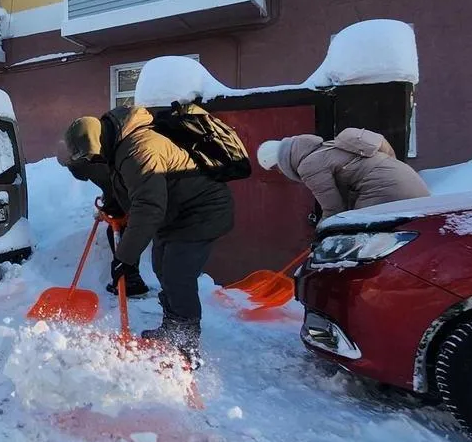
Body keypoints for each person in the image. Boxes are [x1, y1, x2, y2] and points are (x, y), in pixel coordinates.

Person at [60, 108, 234, 358]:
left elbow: (148, 206)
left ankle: (185, 344)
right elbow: (130, 193)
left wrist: (124, 257)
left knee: (178, 275)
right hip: (174, 213)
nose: (93, 161)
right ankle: (172, 328)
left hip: (201, 211)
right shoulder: (119, 146)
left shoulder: (138, 149)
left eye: (91, 155)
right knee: (161, 265)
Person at [257, 128, 430, 221]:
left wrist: (321, 235)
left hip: (385, 190)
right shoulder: (327, 148)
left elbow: (334, 209)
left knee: (361, 233)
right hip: (411, 181)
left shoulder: (309, 166)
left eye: (276, 168)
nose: (280, 172)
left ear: (279, 161)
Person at [55, 143, 150, 299]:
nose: (70, 170)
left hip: (141, 200)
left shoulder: (91, 166)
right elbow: (111, 186)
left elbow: (116, 186)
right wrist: (107, 205)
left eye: (68, 165)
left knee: (123, 234)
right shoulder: (96, 160)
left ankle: (130, 281)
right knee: (120, 233)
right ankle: (127, 279)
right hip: (134, 198)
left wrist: (110, 208)